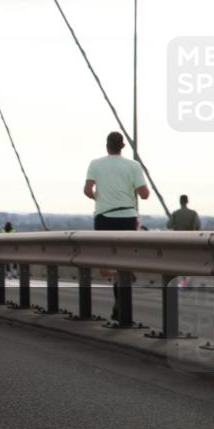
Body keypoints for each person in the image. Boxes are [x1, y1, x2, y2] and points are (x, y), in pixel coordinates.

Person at [84, 131, 149, 320]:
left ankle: (118, 302)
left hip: (104, 217)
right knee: (125, 261)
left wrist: (98, 197)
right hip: (128, 217)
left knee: (106, 265)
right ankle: (124, 274)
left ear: (106, 146)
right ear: (123, 146)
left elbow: (87, 190)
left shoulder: (95, 164)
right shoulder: (133, 166)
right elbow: (144, 194)